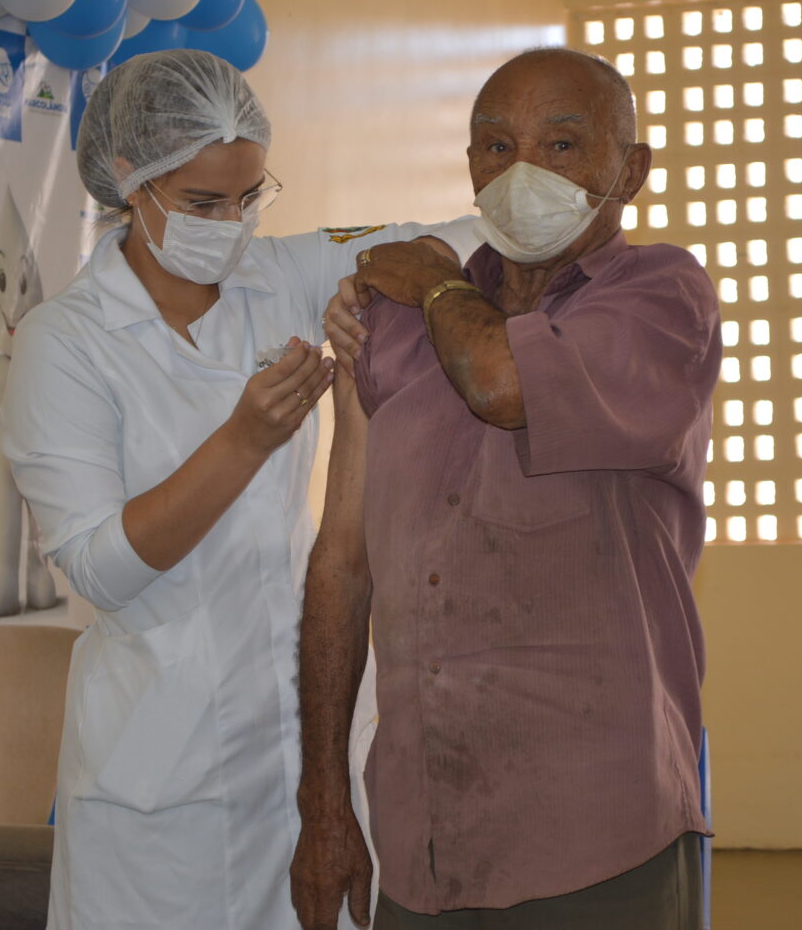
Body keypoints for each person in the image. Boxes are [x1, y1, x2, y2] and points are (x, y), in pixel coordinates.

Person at [0, 49, 474, 929]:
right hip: (162, 777)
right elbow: (101, 568)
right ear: (128, 180)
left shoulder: (276, 277)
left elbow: (454, 242)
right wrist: (244, 440)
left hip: (307, 749)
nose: (232, 226)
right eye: (203, 204)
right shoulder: (63, 343)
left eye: (250, 197)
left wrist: (406, 281)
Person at [292, 47, 722, 929]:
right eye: (496, 146)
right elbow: (341, 564)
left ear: (630, 171)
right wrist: (325, 797)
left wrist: (437, 279)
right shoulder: (394, 323)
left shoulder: (660, 297)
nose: (523, 171)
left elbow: (497, 382)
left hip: (595, 835)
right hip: (424, 835)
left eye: (561, 145)